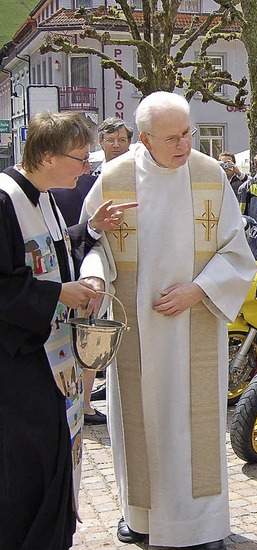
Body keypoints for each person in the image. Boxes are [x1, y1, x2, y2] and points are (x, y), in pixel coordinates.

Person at [79, 92, 256, 550]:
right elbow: (91, 241)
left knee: (191, 425)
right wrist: (95, 270)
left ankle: (199, 527)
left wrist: (198, 290)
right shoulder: (115, 179)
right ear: (143, 139)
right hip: (136, 329)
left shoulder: (209, 175)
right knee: (136, 421)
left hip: (194, 323)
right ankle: (138, 516)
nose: (184, 145)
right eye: (172, 137)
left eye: (188, 133)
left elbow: (238, 252)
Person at [0, 111, 132, 550]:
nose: (87, 169)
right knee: (27, 464)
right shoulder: (4, 201)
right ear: (46, 156)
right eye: (80, 158)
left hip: (53, 357)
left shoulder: (44, 196)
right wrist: (60, 293)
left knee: (56, 452)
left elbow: (55, 251)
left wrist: (92, 229)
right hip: (19, 362)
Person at [51, 117, 135, 424]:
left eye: (121, 140)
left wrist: (91, 229)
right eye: (110, 140)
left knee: (92, 337)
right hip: (78, 266)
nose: (115, 145)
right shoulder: (83, 180)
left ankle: (83, 399)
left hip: (91, 260)